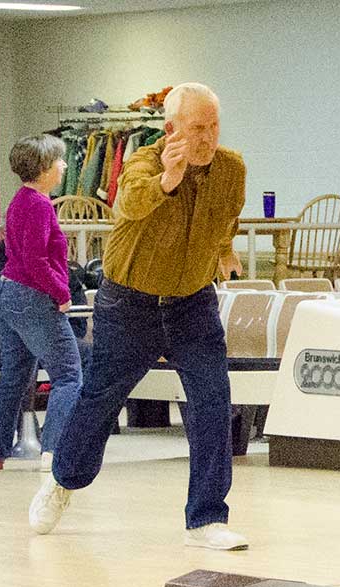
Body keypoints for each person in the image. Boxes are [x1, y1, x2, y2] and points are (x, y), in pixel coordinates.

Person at [29, 83, 251, 551]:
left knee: (213, 402)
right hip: (130, 303)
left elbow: (227, 216)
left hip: (193, 301)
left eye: (213, 126)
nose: (207, 137)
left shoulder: (231, 167)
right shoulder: (143, 163)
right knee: (100, 401)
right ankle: (62, 481)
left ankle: (206, 518)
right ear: (171, 129)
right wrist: (167, 180)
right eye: (196, 128)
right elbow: (127, 204)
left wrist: (227, 251)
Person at [0, 134, 84, 473]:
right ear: (45, 168)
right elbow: (36, 261)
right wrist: (62, 295)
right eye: (59, 161)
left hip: (5, 294)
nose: (63, 166)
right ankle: (54, 451)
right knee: (68, 376)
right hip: (29, 296)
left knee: (15, 375)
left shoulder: (20, 200)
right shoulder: (39, 205)